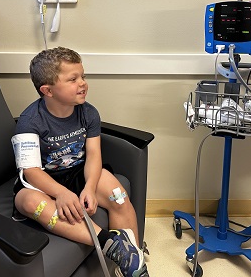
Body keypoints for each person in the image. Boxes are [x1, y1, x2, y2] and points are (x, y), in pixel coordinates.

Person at [11, 46, 149, 277]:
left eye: (83, 76)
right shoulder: (29, 122)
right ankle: (113, 245)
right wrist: (62, 194)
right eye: (73, 79)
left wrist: (90, 188)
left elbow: (94, 155)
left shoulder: (88, 113)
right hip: (44, 182)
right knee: (26, 202)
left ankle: (133, 263)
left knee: (118, 194)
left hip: (77, 173)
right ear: (48, 90)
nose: (83, 83)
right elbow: (31, 171)